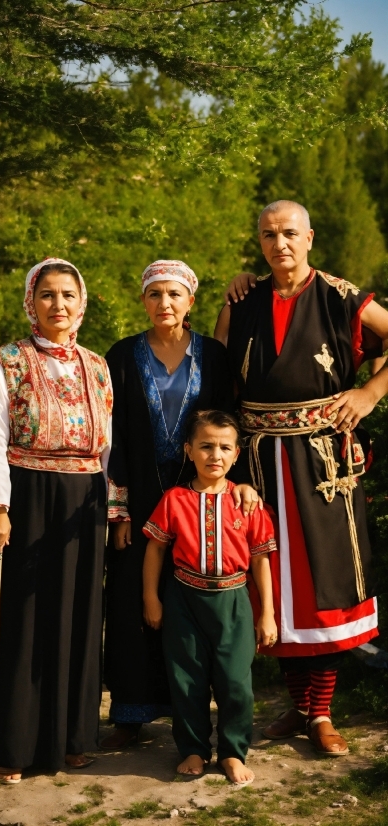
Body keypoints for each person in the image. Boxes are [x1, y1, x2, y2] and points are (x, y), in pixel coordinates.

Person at [215, 200, 388, 756]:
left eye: (289, 233)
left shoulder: (342, 297)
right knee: (275, 585)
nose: (279, 243)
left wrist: (369, 393)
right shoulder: (241, 302)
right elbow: (220, 384)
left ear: (309, 237)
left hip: (324, 464)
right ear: (259, 241)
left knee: (325, 583)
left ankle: (321, 711)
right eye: (268, 235)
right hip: (258, 464)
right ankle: (298, 703)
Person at [103, 260, 260, 749]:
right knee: (135, 599)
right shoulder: (122, 356)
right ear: (143, 301)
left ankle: (190, 714)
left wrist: (242, 482)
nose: (164, 304)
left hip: (199, 499)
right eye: (154, 295)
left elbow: (231, 424)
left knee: (191, 608)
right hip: (142, 498)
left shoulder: (213, 356)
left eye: (174, 294)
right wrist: (121, 509)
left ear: (191, 301)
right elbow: (115, 435)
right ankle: (131, 709)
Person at [0, 258, 113, 782]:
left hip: (84, 502)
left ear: (82, 302)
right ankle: (13, 745)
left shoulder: (97, 365)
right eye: (48, 295)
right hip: (26, 497)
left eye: (68, 295)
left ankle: (71, 738)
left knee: (77, 614)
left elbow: (107, 448)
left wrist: (112, 508)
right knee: (24, 618)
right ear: (32, 301)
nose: (59, 305)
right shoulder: (6, 362)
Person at [142, 409, 277, 784]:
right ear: (188, 451)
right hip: (183, 599)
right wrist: (151, 599)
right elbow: (154, 550)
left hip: (234, 601)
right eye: (205, 446)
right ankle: (194, 749)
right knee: (188, 680)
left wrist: (267, 614)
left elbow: (261, 561)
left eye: (223, 448)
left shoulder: (248, 503)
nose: (214, 455)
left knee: (235, 682)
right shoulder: (174, 499)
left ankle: (233, 753)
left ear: (236, 455)